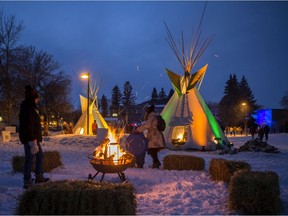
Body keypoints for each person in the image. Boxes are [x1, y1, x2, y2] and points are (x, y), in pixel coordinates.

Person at [19, 85, 49, 189]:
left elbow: (35, 124)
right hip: (30, 139)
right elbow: (28, 125)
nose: (38, 100)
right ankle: (27, 180)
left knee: (40, 156)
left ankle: (38, 176)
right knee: (30, 158)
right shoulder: (27, 108)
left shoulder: (32, 108)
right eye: (36, 98)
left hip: (34, 138)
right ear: (33, 98)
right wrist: (32, 140)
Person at [134, 104, 165, 168]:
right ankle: (155, 162)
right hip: (156, 134)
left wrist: (138, 130)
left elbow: (147, 125)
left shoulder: (151, 116)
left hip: (154, 135)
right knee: (152, 149)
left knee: (151, 149)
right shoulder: (155, 115)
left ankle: (156, 162)